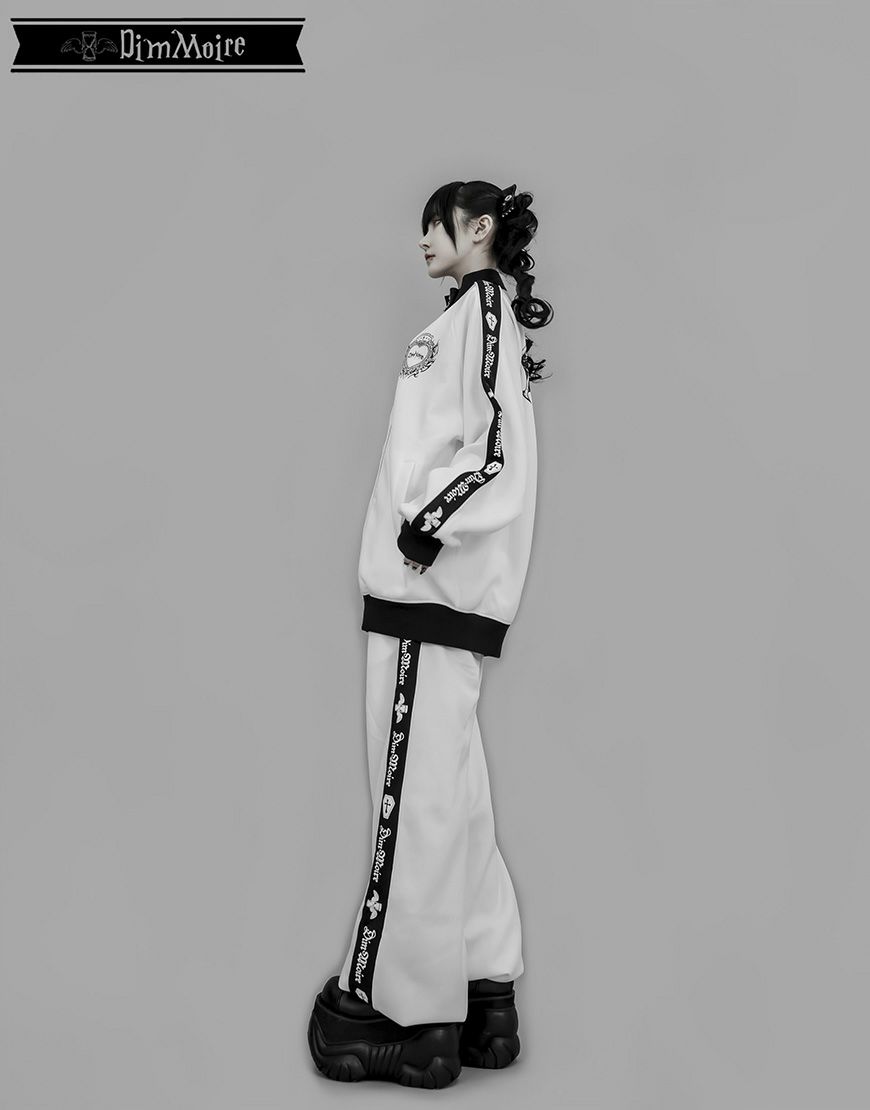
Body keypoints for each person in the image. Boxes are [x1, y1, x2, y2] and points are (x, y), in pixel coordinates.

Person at [307, 180, 553, 1089]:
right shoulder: (466, 318)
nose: (420, 239)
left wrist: (426, 528)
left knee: (411, 803)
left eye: (435, 224)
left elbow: (495, 449)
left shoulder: (481, 315)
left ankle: (404, 1013)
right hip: (432, 600)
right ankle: (486, 990)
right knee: (453, 797)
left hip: (428, 596)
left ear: (478, 228)